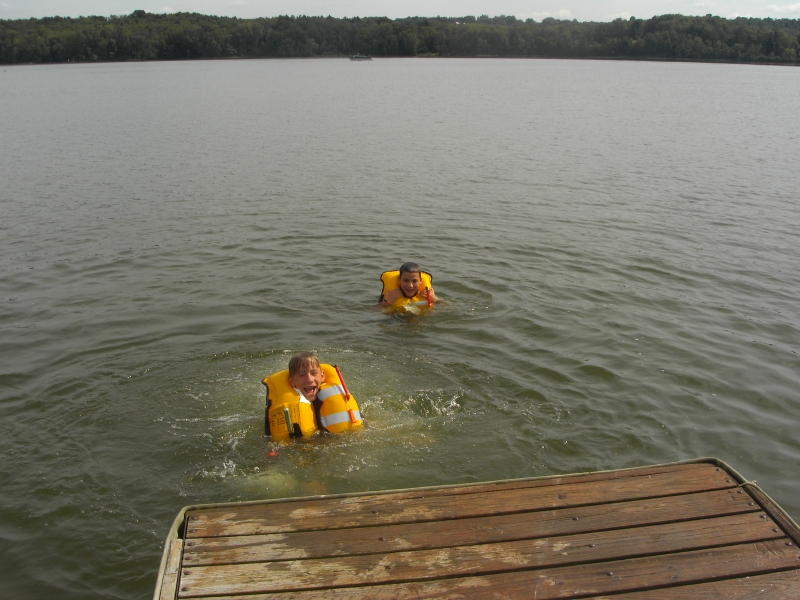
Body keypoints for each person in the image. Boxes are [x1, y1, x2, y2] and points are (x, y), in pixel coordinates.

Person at [262, 352, 363, 439]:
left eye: (314, 373)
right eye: (302, 375)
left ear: (322, 376)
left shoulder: (331, 395)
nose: (309, 379)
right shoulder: (288, 402)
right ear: (292, 381)